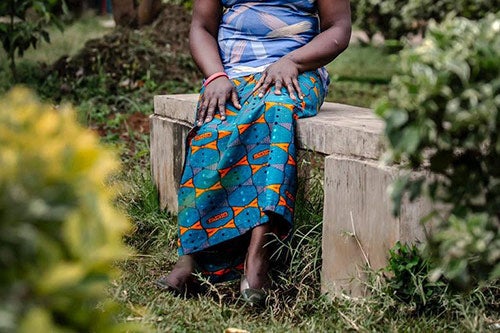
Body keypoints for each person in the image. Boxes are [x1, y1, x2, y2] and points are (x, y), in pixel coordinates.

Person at [156, 0, 351, 305]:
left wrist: (294, 61)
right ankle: (193, 253)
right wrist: (216, 77)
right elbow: (202, 27)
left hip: (296, 72)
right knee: (213, 125)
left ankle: (258, 253)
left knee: (275, 112)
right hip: (231, 76)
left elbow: (338, 28)